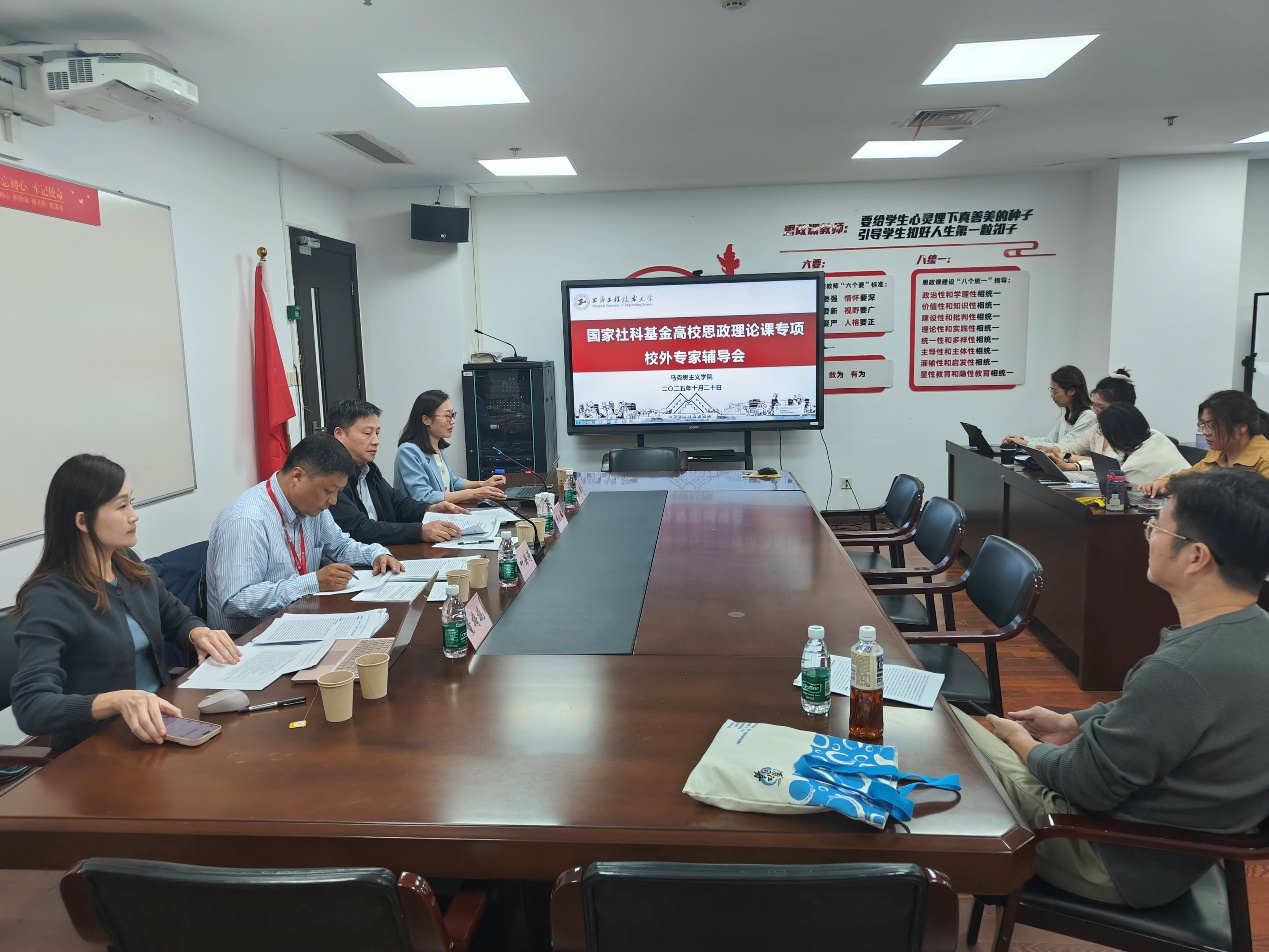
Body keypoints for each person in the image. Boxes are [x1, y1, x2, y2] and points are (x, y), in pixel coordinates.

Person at [956, 468, 1269, 909]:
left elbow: (1083, 784)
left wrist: (1020, 742)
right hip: (1175, 854)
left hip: (1113, 857)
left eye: (1156, 527)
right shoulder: (1251, 631)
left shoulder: (1182, 670)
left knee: (947, 727)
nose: (1148, 536)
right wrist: (1074, 722)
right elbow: (1161, 720)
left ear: (1196, 557)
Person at [10, 455, 241, 750]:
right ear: (82, 521)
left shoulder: (126, 564)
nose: (134, 516)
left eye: (131, 502)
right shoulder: (49, 598)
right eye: (121, 506)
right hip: (100, 746)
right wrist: (118, 700)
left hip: (161, 724)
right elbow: (32, 707)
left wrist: (198, 633)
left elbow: (176, 618)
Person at [206, 434, 403, 636]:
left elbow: (340, 546)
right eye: (329, 490)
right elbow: (237, 600)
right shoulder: (247, 520)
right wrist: (312, 583)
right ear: (297, 476)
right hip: (248, 640)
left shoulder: (311, 508)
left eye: (338, 491)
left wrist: (375, 554)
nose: (333, 501)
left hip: (300, 622)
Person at [327, 398, 469, 545]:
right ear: (339, 434)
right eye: (367, 433)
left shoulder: (369, 469)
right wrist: (419, 531)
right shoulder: (331, 477)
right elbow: (359, 529)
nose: (376, 441)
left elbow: (397, 503)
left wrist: (431, 509)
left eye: (377, 433)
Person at [1140, 390, 1269, 497]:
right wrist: (1160, 485)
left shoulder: (1265, 458)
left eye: (1212, 426)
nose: (1205, 432)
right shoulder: (1219, 452)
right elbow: (1189, 476)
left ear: (1241, 427)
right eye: (1203, 425)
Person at [393, 390, 507, 506]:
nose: (453, 421)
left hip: (444, 513)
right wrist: (474, 494)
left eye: (453, 415)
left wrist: (483, 484)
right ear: (426, 420)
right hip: (422, 517)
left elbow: (452, 481)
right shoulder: (408, 451)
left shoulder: (437, 448)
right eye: (447, 416)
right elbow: (423, 496)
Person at [1043, 369, 1136, 473]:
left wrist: (1071, 462)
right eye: (1094, 405)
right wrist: (1055, 449)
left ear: (1120, 407)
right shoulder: (1098, 429)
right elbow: (1074, 447)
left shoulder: (1129, 433)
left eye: (1101, 407)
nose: (1095, 411)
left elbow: (1110, 463)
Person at [1091, 403, 1189, 488]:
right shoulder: (1155, 435)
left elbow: (1133, 492)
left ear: (1115, 436)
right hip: (1191, 489)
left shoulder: (1133, 467)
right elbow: (1116, 460)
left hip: (1179, 499)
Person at [1002, 365, 1097, 449]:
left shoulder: (1088, 417)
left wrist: (1025, 443)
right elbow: (1049, 440)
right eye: (1051, 390)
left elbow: (1062, 447)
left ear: (1072, 391)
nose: (1052, 395)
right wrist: (1022, 440)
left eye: (1054, 391)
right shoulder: (1070, 415)